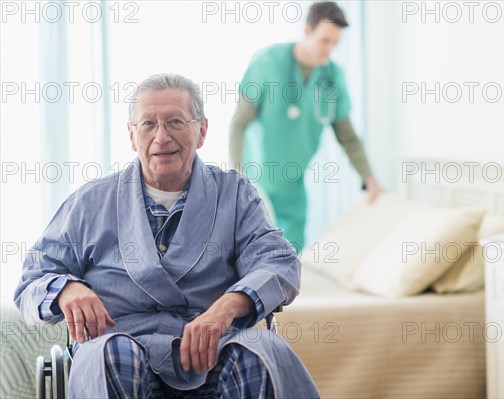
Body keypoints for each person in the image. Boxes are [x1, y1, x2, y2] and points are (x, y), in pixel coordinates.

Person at [14, 73, 319, 398]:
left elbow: (279, 262)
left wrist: (226, 307)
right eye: (148, 124)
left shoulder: (235, 194)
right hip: (122, 347)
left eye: (175, 121)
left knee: (261, 352)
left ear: (201, 130)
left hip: (214, 348)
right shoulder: (90, 202)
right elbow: (31, 281)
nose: (161, 137)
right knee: (111, 356)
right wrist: (65, 289)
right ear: (132, 136)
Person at [230, 1, 383, 251]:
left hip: (293, 186)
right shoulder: (268, 62)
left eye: (335, 42)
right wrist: (235, 175)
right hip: (255, 182)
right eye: (325, 41)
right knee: (247, 254)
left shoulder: (333, 77)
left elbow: (348, 137)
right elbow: (239, 124)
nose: (330, 49)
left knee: (291, 256)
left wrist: (369, 178)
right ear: (307, 32)